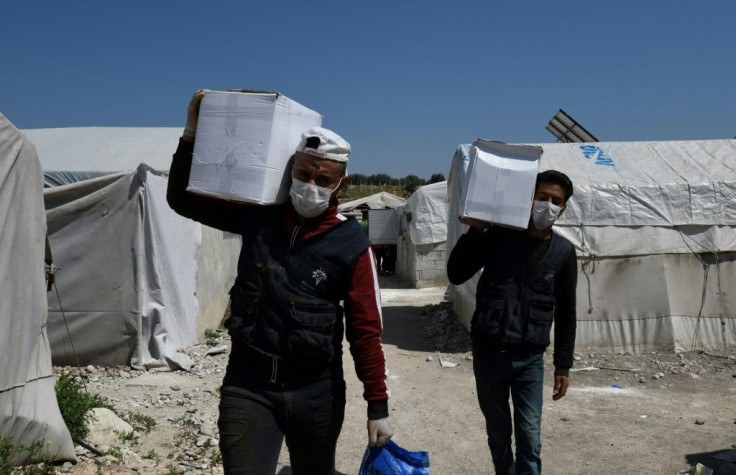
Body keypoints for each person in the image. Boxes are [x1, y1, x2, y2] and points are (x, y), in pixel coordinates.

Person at [167, 90, 392, 474]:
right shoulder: (259, 216)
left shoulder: (351, 244)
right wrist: (190, 134)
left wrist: (378, 405)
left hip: (315, 392)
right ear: (289, 169)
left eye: (324, 179)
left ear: (341, 182)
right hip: (249, 385)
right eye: (303, 174)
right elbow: (182, 200)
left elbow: (365, 329)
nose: (311, 185)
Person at [446, 170, 577, 475]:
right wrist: (476, 231)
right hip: (489, 355)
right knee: (498, 436)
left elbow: (567, 311)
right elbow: (456, 273)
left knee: (530, 439)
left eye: (556, 201)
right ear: (529, 197)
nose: (547, 205)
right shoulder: (498, 238)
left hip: (530, 360)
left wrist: (563, 365)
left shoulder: (563, 252)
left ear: (564, 208)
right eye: (542, 197)